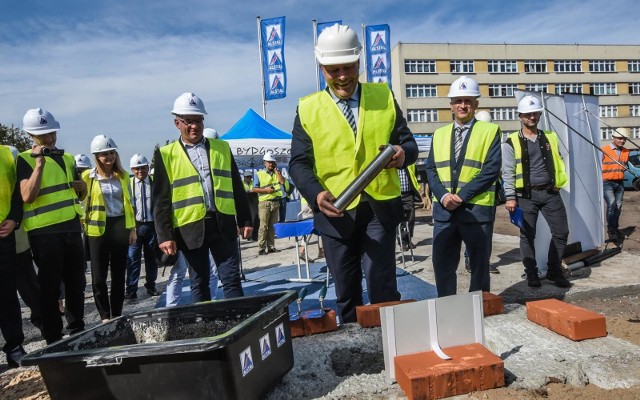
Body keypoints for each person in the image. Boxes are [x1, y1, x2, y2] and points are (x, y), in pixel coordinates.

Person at [289, 23, 418, 323]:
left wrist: (402, 155)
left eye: (348, 68)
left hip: (378, 207)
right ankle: (352, 348)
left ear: (360, 62)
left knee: (382, 286)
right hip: (336, 211)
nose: (342, 76)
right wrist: (315, 193)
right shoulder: (308, 109)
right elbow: (298, 163)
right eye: (333, 70)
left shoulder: (383, 97)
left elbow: (408, 142)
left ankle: (389, 348)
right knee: (346, 291)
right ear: (321, 68)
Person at [153, 92, 253, 302]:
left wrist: (245, 219)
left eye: (198, 120)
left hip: (222, 224)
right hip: (190, 228)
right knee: (199, 281)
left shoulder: (222, 148)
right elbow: (161, 199)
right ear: (177, 123)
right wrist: (165, 235)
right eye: (188, 122)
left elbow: (236, 186)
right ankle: (206, 327)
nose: (194, 126)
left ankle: (240, 323)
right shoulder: (166, 154)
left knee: (231, 278)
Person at [425, 76, 502, 297]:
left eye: (468, 100)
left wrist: (460, 196)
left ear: (476, 104)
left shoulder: (489, 131)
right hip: (444, 212)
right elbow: (431, 169)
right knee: (443, 266)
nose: (462, 105)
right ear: (450, 104)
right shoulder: (439, 134)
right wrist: (442, 195)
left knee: (479, 267)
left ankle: (477, 309)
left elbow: (491, 169)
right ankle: (448, 307)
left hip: (475, 211)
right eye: (458, 100)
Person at [17, 108, 87, 344]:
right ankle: (54, 338)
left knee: (76, 283)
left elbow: (77, 194)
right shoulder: (24, 159)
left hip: (71, 228)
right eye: (42, 134)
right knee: (50, 288)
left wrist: (82, 188)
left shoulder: (67, 158)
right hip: (44, 233)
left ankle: (78, 329)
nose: (49, 138)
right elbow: (27, 196)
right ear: (30, 135)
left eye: (51, 132)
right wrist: (39, 164)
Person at [502, 95, 570, 288]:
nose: (532, 117)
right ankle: (531, 273)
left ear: (539, 113)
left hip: (550, 193)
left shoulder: (550, 137)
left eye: (535, 113)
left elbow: (559, 160)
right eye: (527, 114)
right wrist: (510, 198)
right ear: (520, 116)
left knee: (561, 232)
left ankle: (554, 271)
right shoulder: (511, 142)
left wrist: (558, 182)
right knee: (527, 235)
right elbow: (507, 172)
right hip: (526, 196)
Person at [83, 135, 136, 322]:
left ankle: (117, 313)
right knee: (98, 277)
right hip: (98, 230)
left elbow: (129, 204)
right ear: (96, 156)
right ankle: (104, 315)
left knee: (119, 274)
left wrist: (132, 229)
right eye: (104, 154)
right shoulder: (87, 178)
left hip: (120, 227)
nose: (109, 157)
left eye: (112, 153)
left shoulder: (122, 177)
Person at [0, 144, 26, 367]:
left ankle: (14, 346)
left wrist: (15, 218)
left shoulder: (9, 153)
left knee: (7, 295)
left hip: (3, 234)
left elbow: (18, 192)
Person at [124, 154, 159, 300]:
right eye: (137, 169)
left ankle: (151, 285)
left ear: (147, 168)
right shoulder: (128, 185)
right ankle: (131, 289)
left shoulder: (154, 184)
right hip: (135, 228)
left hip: (152, 227)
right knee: (133, 259)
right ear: (132, 169)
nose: (140, 171)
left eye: (143, 168)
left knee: (152, 259)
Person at [253, 153, 289, 255]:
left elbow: (282, 182)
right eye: (269, 162)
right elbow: (254, 189)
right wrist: (266, 190)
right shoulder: (259, 174)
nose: (271, 164)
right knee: (263, 226)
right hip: (264, 203)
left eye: (272, 162)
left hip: (275, 202)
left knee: (272, 226)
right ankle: (261, 248)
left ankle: (271, 247)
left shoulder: (276, 173)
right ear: (264, 163)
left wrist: (277, 172)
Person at [601, 128, 630, 241]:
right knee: (612, 205)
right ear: (613, 137)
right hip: (607, 182)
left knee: (618, 207)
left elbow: (624, 165)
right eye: (620, 138)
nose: (622, 141)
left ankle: (615, 228)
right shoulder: (604, 150)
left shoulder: (626, 151)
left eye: (624, 139)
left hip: (620, 183)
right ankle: (611, 230)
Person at [397, 165, 421, 251]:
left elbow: (414, 175)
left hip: (408, 195)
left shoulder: (410, 163)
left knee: (410, 219)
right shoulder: (392, 163)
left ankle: (408, 240)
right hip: (396, 195)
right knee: (400, 220)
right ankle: (402, 243)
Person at [243, 169, 260, 241]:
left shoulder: (254, 183)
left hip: (254, 202)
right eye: (247, 177)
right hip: (245, 203)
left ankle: (254, 236)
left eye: (250, 177)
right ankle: (248, 236)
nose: (249, 178)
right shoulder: (241, 184)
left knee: (256, 220)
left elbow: (257, 190)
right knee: (247, 221)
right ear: (244, 177)